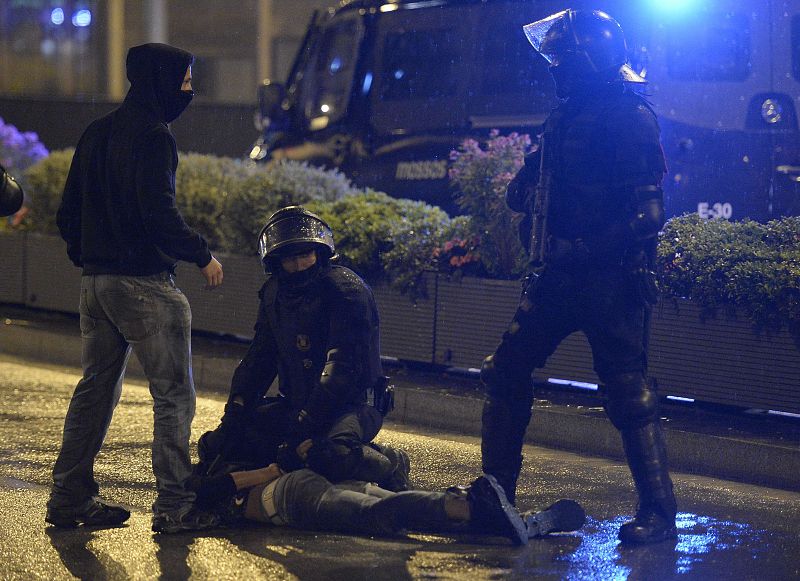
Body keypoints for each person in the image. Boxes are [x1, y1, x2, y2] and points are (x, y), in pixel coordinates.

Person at [479, 9, 677, 545]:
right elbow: (529, 190)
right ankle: (495, 495)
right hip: (559, 275)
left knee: (629, 394)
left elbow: (648, 215)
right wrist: (526, 188)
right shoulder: (563, 118)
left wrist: (587, 250)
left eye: (566, 58)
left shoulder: (631, 117)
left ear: (590, 59)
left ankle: (659, 514)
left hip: (611, 280)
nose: (557, 69)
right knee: (504, 371)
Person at [47, 43, 224, 534]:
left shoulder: (97, 131)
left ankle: (68, 499)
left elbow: (67, 215)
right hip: (145, 284)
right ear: (161, 80)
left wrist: (93, 260)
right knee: (173, 396)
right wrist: (202, 254)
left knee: (94, 393)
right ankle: (174, 506)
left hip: (95, 285)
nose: (189, 90)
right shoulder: (155, 137)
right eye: (185, 81)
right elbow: (159, 215)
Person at [199, 206, 406, 489]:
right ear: (276, 262)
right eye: (290, 258)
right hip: (297, 406)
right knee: (224, 444)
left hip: (353, 405)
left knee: (328, 455)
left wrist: (303, 425)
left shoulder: (346, 290)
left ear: (320, 254)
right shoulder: (274, 295)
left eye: (305, 255)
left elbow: (341, 370)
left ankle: (390, 463)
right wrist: (236, 412)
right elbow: (258, 361)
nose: (298, 265)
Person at [191, 440, 585, 546]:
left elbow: (215, 490)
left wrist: (268, 470)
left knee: (376, 516)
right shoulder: (219, 469)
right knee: (406, 516)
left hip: (291, 495)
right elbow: (213, 489)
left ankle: (465, 503)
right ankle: (523, 523)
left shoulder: (222, 468)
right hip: (306, 488)